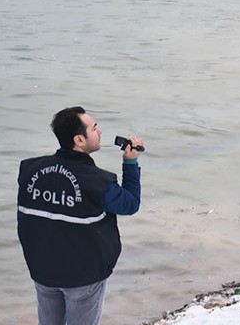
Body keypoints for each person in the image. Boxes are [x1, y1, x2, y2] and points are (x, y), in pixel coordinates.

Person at [17, 106, 145, 325]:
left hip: (42, 270)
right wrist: (130, 162)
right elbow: (130, 204)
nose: (100, 131)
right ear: (79, 139)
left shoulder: (30, 170)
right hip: (83, 278)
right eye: (94, 128)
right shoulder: (97, 182)